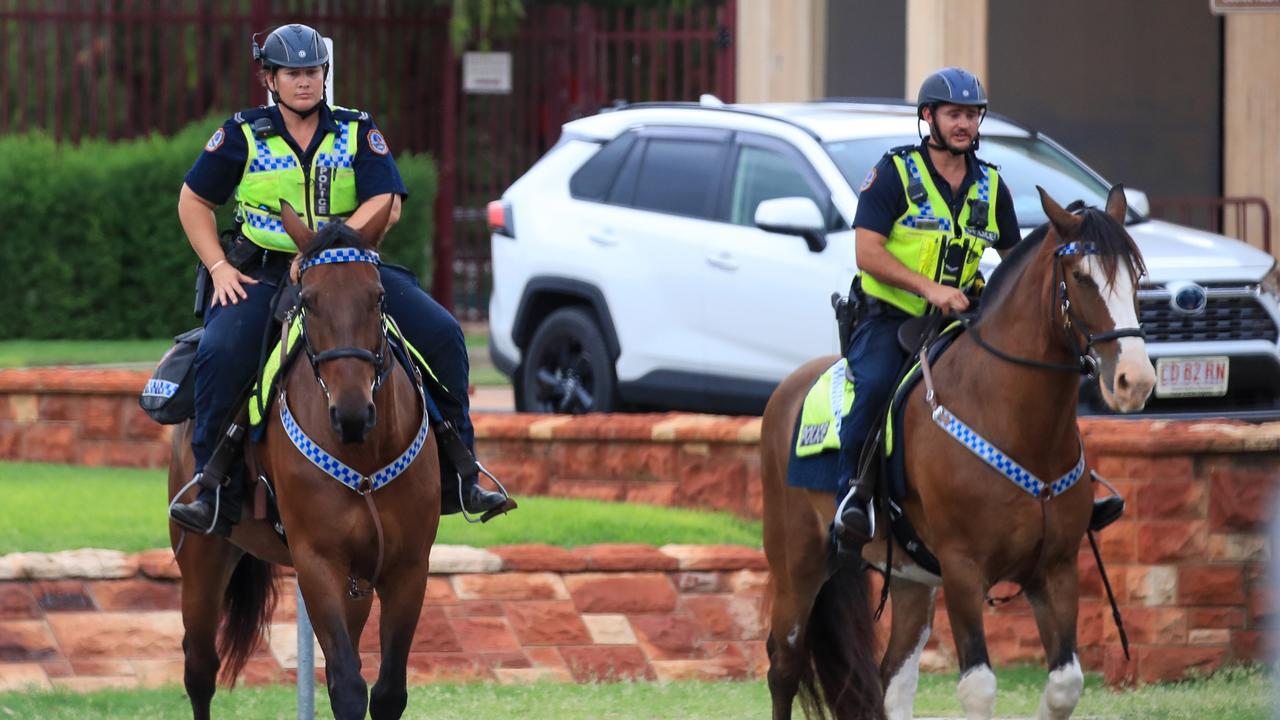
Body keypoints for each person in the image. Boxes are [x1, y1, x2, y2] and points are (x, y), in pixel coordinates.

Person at [168, 23, 507, 535]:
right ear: (270, 78)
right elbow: (193, 200)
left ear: (324, 74)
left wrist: (326, 248)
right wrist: (219, 268)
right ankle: (212, 488)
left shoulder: (355, 129)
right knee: (219, 352)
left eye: (312, 72)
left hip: (348, 268)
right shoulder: (240, 133)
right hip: (260, 272)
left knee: (442, 334)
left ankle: (463, 471)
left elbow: (386, 202)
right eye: (293, 73)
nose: (304, 82)